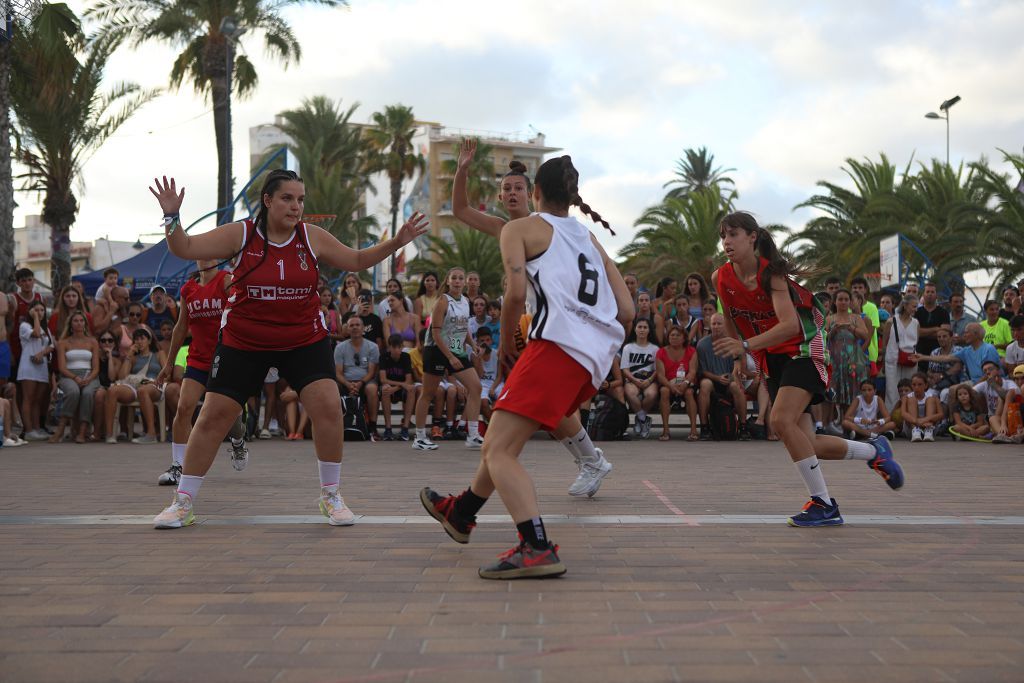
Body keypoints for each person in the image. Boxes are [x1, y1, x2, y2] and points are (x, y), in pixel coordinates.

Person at [148, 170, 427, 529]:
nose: (296, 206)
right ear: (268, 200)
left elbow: (357, 260)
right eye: (287, 198)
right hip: (245, 340)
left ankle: (331, 496)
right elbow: (183, 248)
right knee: (214, 416)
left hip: (302, 339)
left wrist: (397, 242)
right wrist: (172, 216)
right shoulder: (242, 234)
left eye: (300, 199)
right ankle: (183, 502)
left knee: (329, 407)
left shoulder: (311, 237)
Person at [421, 155, 633, 578]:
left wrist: (504, 344)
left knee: (497, 449)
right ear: (572, 195)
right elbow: (626, 311)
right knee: (503, 441)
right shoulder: (589, 238)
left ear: (534, 191)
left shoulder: (519, 229)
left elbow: (516, 294)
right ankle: (461, 513)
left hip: (555, 346)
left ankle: (536, 547)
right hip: (590, 358)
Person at [431, 138, 612, 495]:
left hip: (551, 325)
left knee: (538, 405)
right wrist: (462, 169)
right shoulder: (505, 229)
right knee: (546, 404)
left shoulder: (547, 227)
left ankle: (585, 461)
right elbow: (461, 209)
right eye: (506, 189)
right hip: (535, 325)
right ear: (500, 197)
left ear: (532, 194)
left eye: (518, 188)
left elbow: (522, 291)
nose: (512, 193)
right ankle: (590, 460)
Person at [713, 211, 903, 528]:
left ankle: (824, 504)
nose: (726, 242)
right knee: (807, 442)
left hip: (803, 348)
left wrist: (745, 345)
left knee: (779, 420)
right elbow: (732, 318)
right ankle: (874, 451)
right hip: (772, 358)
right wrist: (738, 358)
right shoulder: (720, 277)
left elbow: (790, 326)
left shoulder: (771, 275)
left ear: (752, 237)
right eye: (723, 236)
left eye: (733, 234)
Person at [155, 260, 247, 487]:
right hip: (198, 359)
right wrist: (168, 364)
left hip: (225, 358)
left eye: (210, 254)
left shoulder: (226, 281)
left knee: (230, 417)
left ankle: (238, 442)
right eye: (201, 254)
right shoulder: (188, 289)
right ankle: (178, 466)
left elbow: (244, 314)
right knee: (184, 408)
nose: (206, 258)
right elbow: (180, 327)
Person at [411, 267, 482, 450]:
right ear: (448, 281)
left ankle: (473, 436)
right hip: (436, 350)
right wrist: (449, 357)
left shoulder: (465, 301)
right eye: (454, 278)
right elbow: (435, 333)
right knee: (428, 393)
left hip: (456, 349)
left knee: (476, 387)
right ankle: (419, 438)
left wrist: (472, 344)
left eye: (460, 278)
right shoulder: (443, 301)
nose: (457, 281)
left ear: (464, 282)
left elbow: (463, 327)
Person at [103, 327, 166, 444]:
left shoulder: (158, 354)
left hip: (154, 384)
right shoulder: (133, 358)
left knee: (143, 391)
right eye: (136, 339)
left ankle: (151, 434)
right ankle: (110, 434)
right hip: (135, 385)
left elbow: (167, 373)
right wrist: (129, 355)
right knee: (112, 391)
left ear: (149, 341)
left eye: (142, 338)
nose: (139, 341)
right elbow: (122, 377)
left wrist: (156, 381)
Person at [696, 313, 750, 441]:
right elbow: (702, 371)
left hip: (729, 379)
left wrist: (731, 377)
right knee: (705, 384)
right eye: (714, 323)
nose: (716, 326)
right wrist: (717, 378)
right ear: (710, 325)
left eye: (719, 323)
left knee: (736, 387)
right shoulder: (702, 345)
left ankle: (743, 426)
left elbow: (738, 365)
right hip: (711, 380)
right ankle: (704, 427)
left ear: (725, 325)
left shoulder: (733, 343)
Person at [49, 312, 101, 443]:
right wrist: (75, 378)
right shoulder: (63, 342)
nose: (79, 323)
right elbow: (62, 368)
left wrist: (89, 378)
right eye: (76, 321)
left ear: (85, 324)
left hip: (89, 375)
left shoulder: (93, 341)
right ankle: (60, 429)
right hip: (69, 375)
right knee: (73, 391)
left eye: (81, 321)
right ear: (70, 324)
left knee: (88, 393)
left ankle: (82, 431)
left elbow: (96, 368)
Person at [825, 289, 869, 431]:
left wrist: (851, 328)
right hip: (835, 360)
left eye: (846, 299)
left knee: (853, 390)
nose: (843, 302)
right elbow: (823, 338)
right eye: (840, 299)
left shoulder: (856, 318)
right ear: (834, 302)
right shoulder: (829, 319)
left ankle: (850, 423)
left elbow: (865, 335)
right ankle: (835, 422)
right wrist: (833, 331)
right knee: (835, 389)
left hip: (853, 360)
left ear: (850, 302)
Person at [334, 316, 381, 438]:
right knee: (333, 387)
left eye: (357, 325)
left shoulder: (373, 347)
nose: (354, 327)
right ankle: (336, 426)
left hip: (365, 381)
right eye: (351, 325)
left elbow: (371, 372)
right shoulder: (340, 348)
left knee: (372, 389)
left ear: (363, 328)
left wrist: (359, 384)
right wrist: (348, 384)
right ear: (347, 329)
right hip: (346, 382)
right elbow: (338, 373)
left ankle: (372, 427)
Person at [921, 322, 1001, 384]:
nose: (964, 335)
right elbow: (946, 358)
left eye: (966, 332)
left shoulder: (989, 349)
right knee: (953, 390)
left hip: (990, 382)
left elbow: (990, 374)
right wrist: (922, 357)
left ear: (976, 334)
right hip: (974, 382)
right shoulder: (966, 350)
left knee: (958, 390)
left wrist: (975, 387)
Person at [656, 325, 698, 441]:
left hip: (686, 382)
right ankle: (665, 430)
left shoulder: (691, 351)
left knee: (689, 393)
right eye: (672, 335)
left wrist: (685, 383)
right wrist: (671, 386)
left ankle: (693, 429)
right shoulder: (661, 352)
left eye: (678, 335)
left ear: (684, 338)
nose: (674, 337)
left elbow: (693, 371)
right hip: (668, 383)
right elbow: (660, 375)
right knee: (664, 391)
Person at [17, 300, 52, 441]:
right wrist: (36, 318)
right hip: (28, 366)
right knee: (28, 398)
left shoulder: (46, 328)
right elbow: (36, 334)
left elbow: (52, 346)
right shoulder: (25, 326)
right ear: (30, 311)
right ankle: (29, 430)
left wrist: (42, 353)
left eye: (42, 310)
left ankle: (37, 428)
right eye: (36, 310)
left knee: (38, 400)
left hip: (42, 367)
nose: (40, 313)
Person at [621, 318, 659, 438]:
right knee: (631, 393)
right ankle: (643, 419)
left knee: (651, 394)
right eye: (639, 327)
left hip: (649, 379)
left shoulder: (655, 349)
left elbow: (657, 370)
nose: (642, 330)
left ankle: (639, 418)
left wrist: (649, 380)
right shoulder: (628, 347)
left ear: (649, 330)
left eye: (645, 327)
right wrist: (635, 380)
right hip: (632, 379)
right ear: (635, 329)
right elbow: (625, 369)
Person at [882, 293, 920, 409]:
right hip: (892, 360)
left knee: (909, 388)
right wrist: (883, 362)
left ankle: (909, 413)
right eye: (913, 306)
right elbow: (884, 343)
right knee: (892, 391)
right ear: (905, 305)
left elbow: (916, 342)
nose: (916, 309)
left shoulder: (916, 323)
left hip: (910, 360)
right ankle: (891, 415)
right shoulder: (891, 321)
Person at [378, 333, 416, 441]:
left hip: (399, 389)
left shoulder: (406, 357)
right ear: (389, 347)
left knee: (411, 389)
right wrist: (401, 385)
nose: (396, 350)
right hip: (390, 388)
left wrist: (396, 388)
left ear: (402, 347)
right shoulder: (383, 357)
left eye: (399, 347)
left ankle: (405, 428)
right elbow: (383, 379)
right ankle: (388, 428)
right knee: (385, 389)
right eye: (394, 347)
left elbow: (408, 380)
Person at [972, 359, 1014, 438]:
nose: (987, 372)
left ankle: (999, 435)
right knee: (990, 420)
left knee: (1001, 398)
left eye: (990, 369)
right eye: (985, 371)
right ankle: (1000, 435)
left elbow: (1007, 396)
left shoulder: (1009, 384)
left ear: (998, 371)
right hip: (993, 419)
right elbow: (970, 392)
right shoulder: (984, 384)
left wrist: (994, 385)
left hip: (1010, 418)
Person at [850, 276, 881, 376]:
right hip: (850, 355)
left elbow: (870, 334)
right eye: (855, 288)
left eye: (860, 287)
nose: (857, 290)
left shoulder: (872, 307)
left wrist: (860, 352)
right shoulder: (847, 308)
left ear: (865, 290)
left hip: (868, 353)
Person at [900, 372, 944, 442]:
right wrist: (917, 422)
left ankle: (928, 431)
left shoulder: (933, 397)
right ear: (911, 386)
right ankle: (916, 431)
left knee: (930, 399)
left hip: (929, 426)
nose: (916, 387)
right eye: (914, 385)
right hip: (912, 428)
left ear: (926, 385)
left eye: (920, 384)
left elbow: (941, 414)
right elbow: (903, 414)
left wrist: (924, 420)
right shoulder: (906, 397)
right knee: (912, 399)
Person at [472, 327, 502, 423]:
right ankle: (494, 425)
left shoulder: (497, 354)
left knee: (502, 401)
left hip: (496, 383)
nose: (485, 343)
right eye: (482, 341)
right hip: (482, 384)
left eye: (488, 340)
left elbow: (499, 376)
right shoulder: (474, 356)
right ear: (477, 342)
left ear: (491, 341)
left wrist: (493, 388)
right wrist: (480, 357)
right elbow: (479, 375)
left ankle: (497, 424)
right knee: (483, 403)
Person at [991, 364, 1024, 443]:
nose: (1020, 382)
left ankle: (1020, 436)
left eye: (1023, 378)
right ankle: (1003, 435)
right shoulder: (1012, 392)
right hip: (1016, 425)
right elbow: (1005, 412)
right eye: (1017, 379)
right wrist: (1003, 425)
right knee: (993, 419)